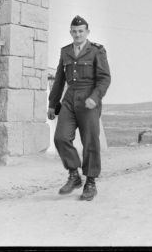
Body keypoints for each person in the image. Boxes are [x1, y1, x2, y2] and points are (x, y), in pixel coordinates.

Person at [48, 15, 111, 201]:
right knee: (60, 137)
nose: (77, 34)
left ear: (87, 32)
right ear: (70, 32)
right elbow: (59, 79)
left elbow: (104, 78)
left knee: (90, 141)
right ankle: (74, 175)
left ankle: (90, 182)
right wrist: (53, 104)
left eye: (81, 31)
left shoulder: (96, 51)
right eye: (74, 32)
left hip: (89, 99)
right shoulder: (65, 51)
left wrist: (95, 97)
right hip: (69, 99)